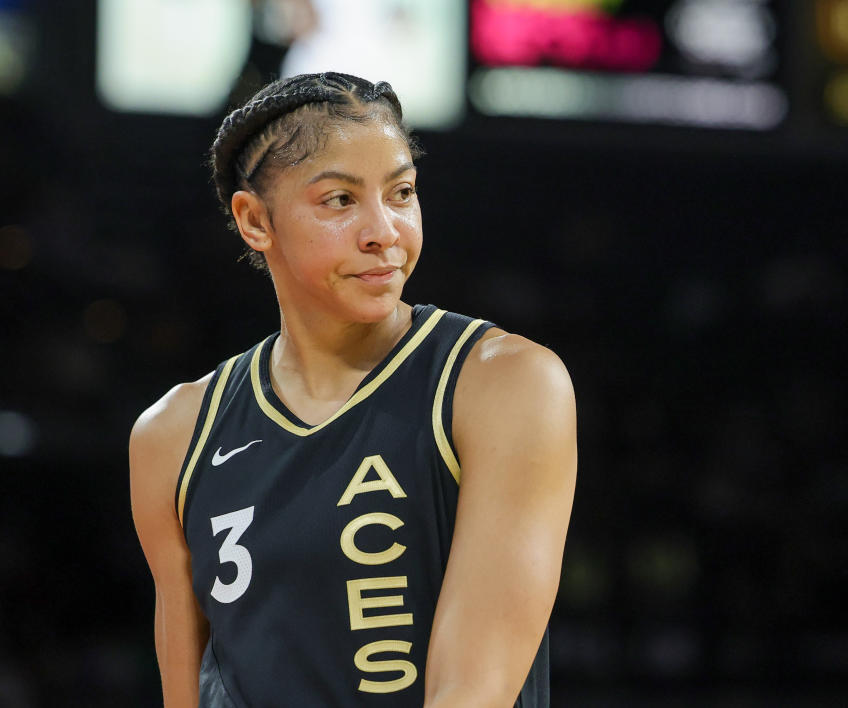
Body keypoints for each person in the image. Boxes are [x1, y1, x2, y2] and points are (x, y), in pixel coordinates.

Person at [129, 72, 576, 707]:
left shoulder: (502, 382)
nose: (384, 230)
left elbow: (472, 694)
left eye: (401, 193)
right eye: (340, 201)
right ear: (255, 221)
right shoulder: (173, 435)